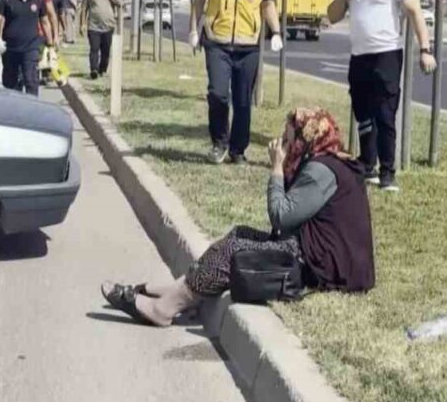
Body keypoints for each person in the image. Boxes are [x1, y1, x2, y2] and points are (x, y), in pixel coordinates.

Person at [100, 107, 375, 326]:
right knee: (238, 235)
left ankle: (165, 308)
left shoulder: (321, 170)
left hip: (321, 266)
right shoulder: (323, 161)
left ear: (306, 141)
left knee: (235, 251)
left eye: (289, 138)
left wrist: (277, 168)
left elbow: (281, 216)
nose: (282, 144)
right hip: (313, 252)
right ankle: (178, 289)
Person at [326, 0, 436, 192]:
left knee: (385, 114)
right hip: (359, 56)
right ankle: (368, 165)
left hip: (386, 54)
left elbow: (414, 13)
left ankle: (388, 173)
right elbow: (331, 16)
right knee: (362, 114)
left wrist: (425, 48)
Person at [189, 0, 284, 165]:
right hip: (217, 43)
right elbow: (199, 0)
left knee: (243, 101)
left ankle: (238, 150)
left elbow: (268, 5)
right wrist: (193, 29)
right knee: (218, 94)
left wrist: (276, 32)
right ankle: (219, 143)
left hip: (248, 47)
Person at [0, 0, 57, 94]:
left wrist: (51, 45)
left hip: (31, 48)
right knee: (11, 86)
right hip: (10, 49)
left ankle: (32, 112)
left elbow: (45, 22)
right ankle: (14, 112)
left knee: (31, 81)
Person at [79, 0, 119, 79]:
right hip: (93, 27)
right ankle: (94, 69)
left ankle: (102, 69)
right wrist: (82, 24)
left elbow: (120, 3)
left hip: (108, 27)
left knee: (105, 51)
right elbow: (83, 9)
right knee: (94, 48)